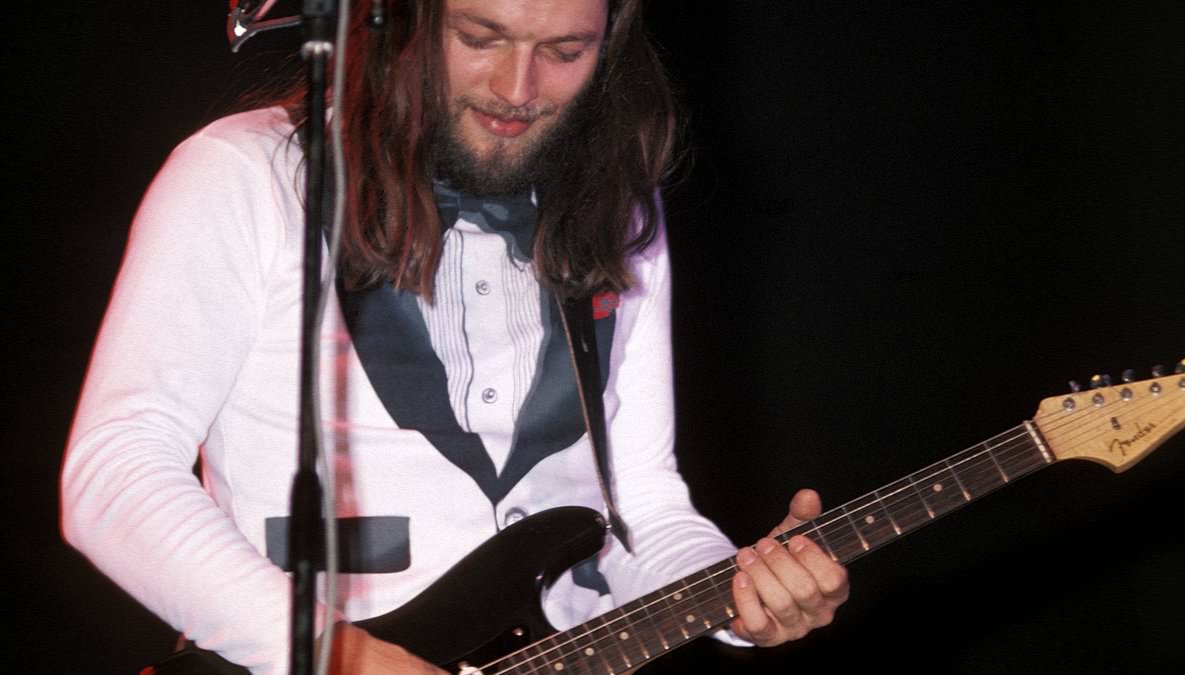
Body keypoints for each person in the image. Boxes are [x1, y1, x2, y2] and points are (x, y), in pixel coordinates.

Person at [61, 1, 849, 673]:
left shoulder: (616, 203)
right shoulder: (247, 175)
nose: (517, 88)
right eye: (480, 38)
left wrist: (737, 593)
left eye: (564, 51)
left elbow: (640, 501)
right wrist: (344, 655)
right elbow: (116, 471)